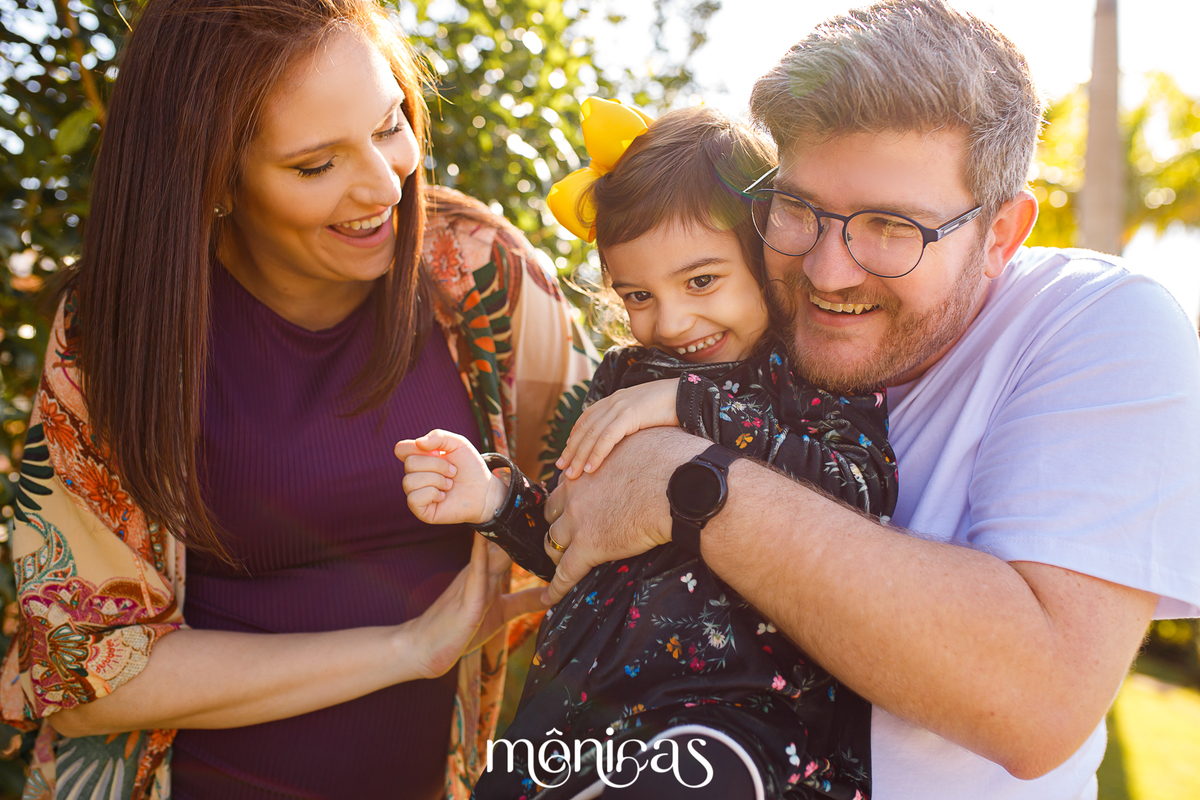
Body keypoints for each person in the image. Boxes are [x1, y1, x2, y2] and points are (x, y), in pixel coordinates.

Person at [535, 3, 1200, 800]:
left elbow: (1036, 699)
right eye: (799, 208)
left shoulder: (1097, 322)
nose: (826, 271)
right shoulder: (745, 332)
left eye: (891, 227)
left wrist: (684, 481)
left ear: (1001, 234)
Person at [0, 1, 594, 799]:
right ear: (211, 174)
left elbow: (603, 502)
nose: (386, 183)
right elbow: (85, 678)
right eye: (316, 165)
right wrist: (407, 648)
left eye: (390, 126)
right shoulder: (117, 331)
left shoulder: (477, 272)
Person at [397, 102, 897, 799]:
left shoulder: (806, 373)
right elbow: (576, 542)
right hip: (579, 711)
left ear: (767, 256)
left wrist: (689, 406)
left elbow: (862, 487)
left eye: (700, 281)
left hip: (733, 718)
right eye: (636, 294)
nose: (670, 320)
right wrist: (495, 499)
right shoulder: (621, 378)